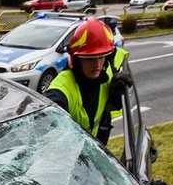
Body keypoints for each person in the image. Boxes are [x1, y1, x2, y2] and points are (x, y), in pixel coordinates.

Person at [44, 17, 131, 145]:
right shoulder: (62, 88)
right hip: (68, 155)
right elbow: (46, 126)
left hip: (93, 151)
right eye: (90, 59)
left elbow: (106, 108)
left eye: (101, 57)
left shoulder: (106, 74)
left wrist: (116, 96)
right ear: (78, 59)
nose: (97, 64)